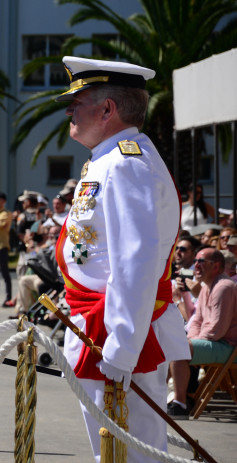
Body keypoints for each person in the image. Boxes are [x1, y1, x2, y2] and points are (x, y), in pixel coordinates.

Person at [56, 56, 190, 462]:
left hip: (116, 332)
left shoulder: (127, 164)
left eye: (76, 103)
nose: (69, 112)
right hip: (99, 325)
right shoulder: (108, 159)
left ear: (107, 109)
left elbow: (137, 261)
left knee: (132, 453)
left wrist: (123, 345)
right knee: (112, 452)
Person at [168, 248, 237, 419]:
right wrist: (190, 339)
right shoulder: (208, 286)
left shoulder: (224, 287)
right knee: (175, 345)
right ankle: (163, 397)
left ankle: (180, 404)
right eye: (196, 261)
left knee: (179, 348)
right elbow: (197, 321)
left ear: (216, 266)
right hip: (216, 342)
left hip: (228, 346)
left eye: (201, 262)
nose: (196, 266)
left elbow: (216, 329)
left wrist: (188, 343)